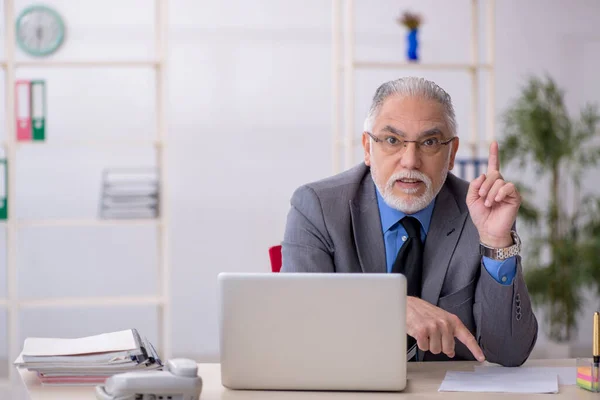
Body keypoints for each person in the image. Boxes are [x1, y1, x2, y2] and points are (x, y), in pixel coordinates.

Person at [281, 77, 538, 367]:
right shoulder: (317, 207)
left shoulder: (480, 211)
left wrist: (495, 243)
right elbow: (301, 326)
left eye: (429, 142)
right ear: (367, 147)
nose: (410, 160)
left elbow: (510, 353)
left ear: (451, 153)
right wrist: (389, 307)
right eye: (392, 140)